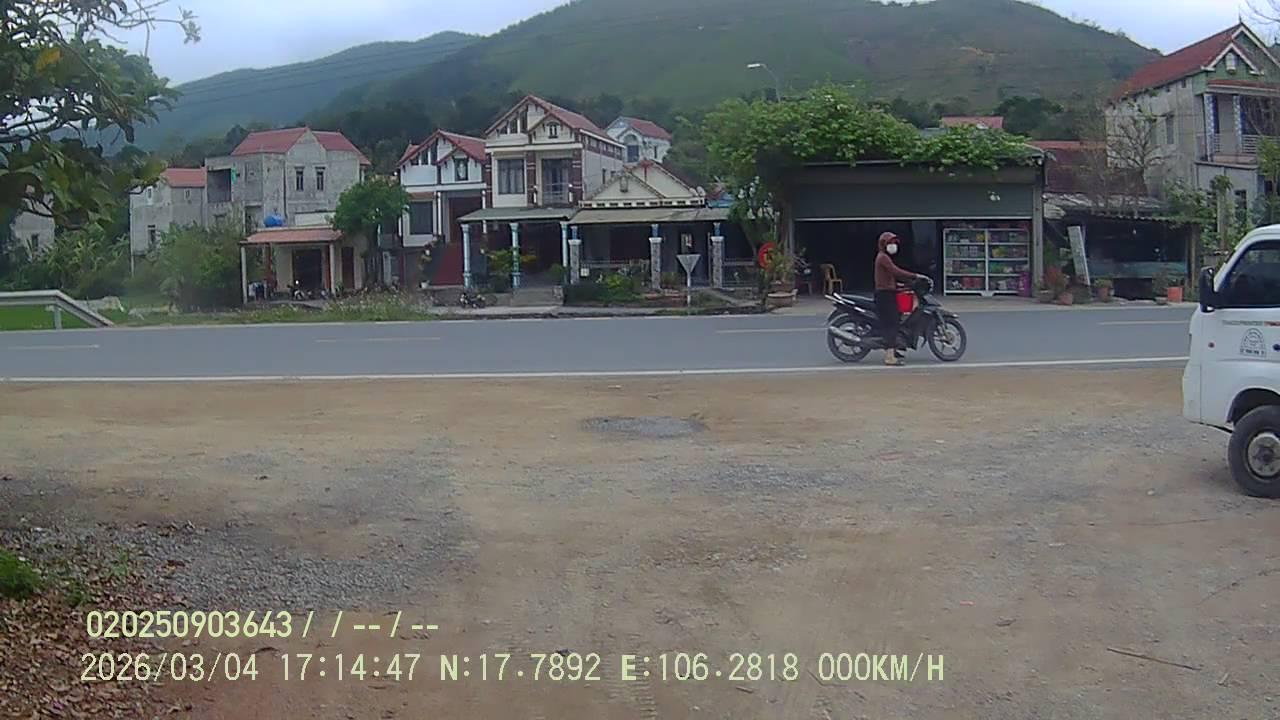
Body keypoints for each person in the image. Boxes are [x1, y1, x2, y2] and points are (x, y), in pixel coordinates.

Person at [874, 232, 927, 366]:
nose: (893, 246)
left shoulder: (884, 257)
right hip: (885, 295)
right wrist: (915, 276)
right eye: (890, 243)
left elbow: (890, 277)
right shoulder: (883, 258)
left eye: (894, 243)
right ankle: (889, 357)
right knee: (892, 324)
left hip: (888, 293)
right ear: (883, 244)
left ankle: (894, 350)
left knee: (895, 320)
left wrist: (903, 284)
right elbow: (895, 271)